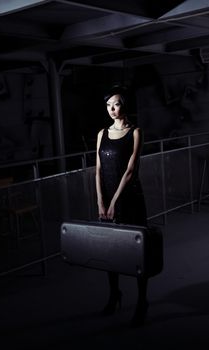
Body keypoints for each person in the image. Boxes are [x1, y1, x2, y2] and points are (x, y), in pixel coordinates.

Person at [95, 85, 148, 327]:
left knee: (138, 252)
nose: (112, 109)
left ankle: (142, 300)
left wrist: (114, 201)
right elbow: (97, 170)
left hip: (129, 198)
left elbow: (130, 171)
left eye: (115, 104)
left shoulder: (135, 132)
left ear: (124, 105)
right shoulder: (101, 133)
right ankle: (114, 294)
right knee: (110, 251)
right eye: (108, 105)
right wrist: (100, 200)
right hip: (106, 200)